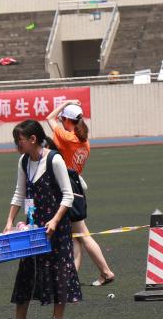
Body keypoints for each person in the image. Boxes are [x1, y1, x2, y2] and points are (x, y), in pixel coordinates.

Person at [0, 120, 82, 319]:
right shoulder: (24, 161)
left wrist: (54, 221)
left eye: (19, 140)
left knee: (58, 270)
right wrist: (9, 222)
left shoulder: (54, 160)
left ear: (33, 139)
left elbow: (68, 196)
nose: (17, 145)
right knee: (26, 270)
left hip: (56, 228)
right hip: (33, 227)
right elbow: (19, 193)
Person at [45, 100, 115, 287]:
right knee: (75, 236)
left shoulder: (67, 138)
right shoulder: (85, 142)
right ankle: (72, 276)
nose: (60, 121)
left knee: (82, 235)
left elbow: (49, 118)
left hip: (67, 188)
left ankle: (106, 272)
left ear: (68, 120)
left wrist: (66, 102)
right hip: (75, 187)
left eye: (63, 119)